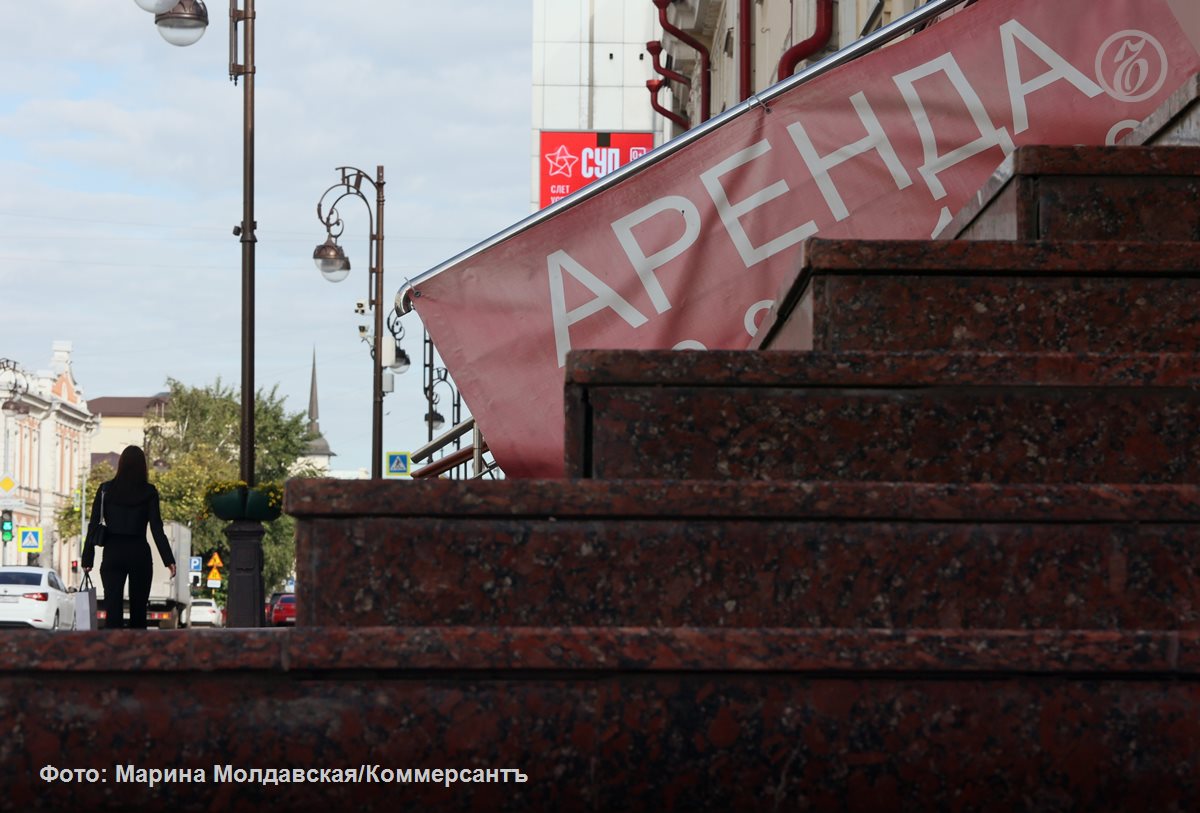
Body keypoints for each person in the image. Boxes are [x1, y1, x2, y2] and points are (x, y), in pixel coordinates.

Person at [82, 445, 177, 629]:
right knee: (139, 608)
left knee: (113, 606)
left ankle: (114, 650)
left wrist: (88, 558)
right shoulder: (149, 492)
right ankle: (138, 651)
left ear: (121, 464)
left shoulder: (105, 490)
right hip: (139, 552)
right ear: (143, 466)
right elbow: (157, 528)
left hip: (113, 552)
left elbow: (93, 525)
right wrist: (168, 559)